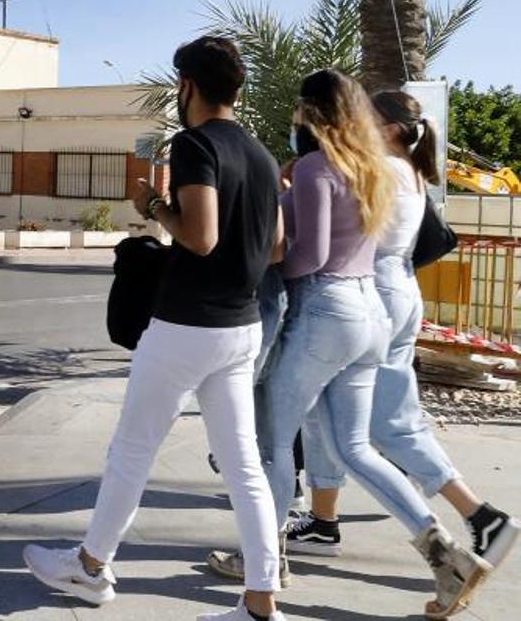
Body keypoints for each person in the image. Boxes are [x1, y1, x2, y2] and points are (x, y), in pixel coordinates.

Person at [23, 36, 287, 621]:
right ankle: (260, 601)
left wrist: (153, 207)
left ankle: (91, 569)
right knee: (244, 464)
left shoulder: (195, 145)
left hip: (185, 326)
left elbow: (200, 237)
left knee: (132, 450)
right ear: (237, 89)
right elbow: (274, 249)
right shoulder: (264, 157)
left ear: (187, 86)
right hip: (240, 327)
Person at [209, 70, 490, 619]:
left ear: (312, 112)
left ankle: (262, 562)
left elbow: (310, 255)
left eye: (299, 109)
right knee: (355, 447)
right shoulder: (375, 169)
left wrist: (264, 265)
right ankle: (448, 558)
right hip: (371, 315)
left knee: (271, 440)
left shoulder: (318, 166)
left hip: (324, 311)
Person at [288, 91, 519, 568]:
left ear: (391, 129)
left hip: (373, 290)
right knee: (329, 415)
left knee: (383, 423)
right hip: (394, 288)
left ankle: (479, 515)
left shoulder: (387, 170)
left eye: (367, 120)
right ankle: (323, 519)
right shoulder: (408, 170)